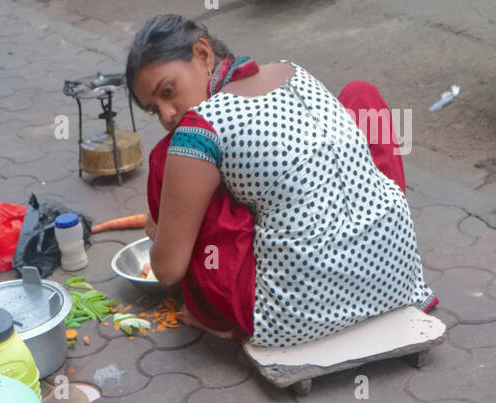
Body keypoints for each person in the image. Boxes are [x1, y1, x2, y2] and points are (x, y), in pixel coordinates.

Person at [126, 16, 438, 346]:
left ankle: (215, 318)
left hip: (299, 316)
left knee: (167, 155)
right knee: (360, 97)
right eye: (154, 109)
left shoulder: (197, 131)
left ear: (203, 54)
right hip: (395, 282)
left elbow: (168, 271)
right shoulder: (290, 70)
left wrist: (163, 233)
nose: (167, 115)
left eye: (168, 91)